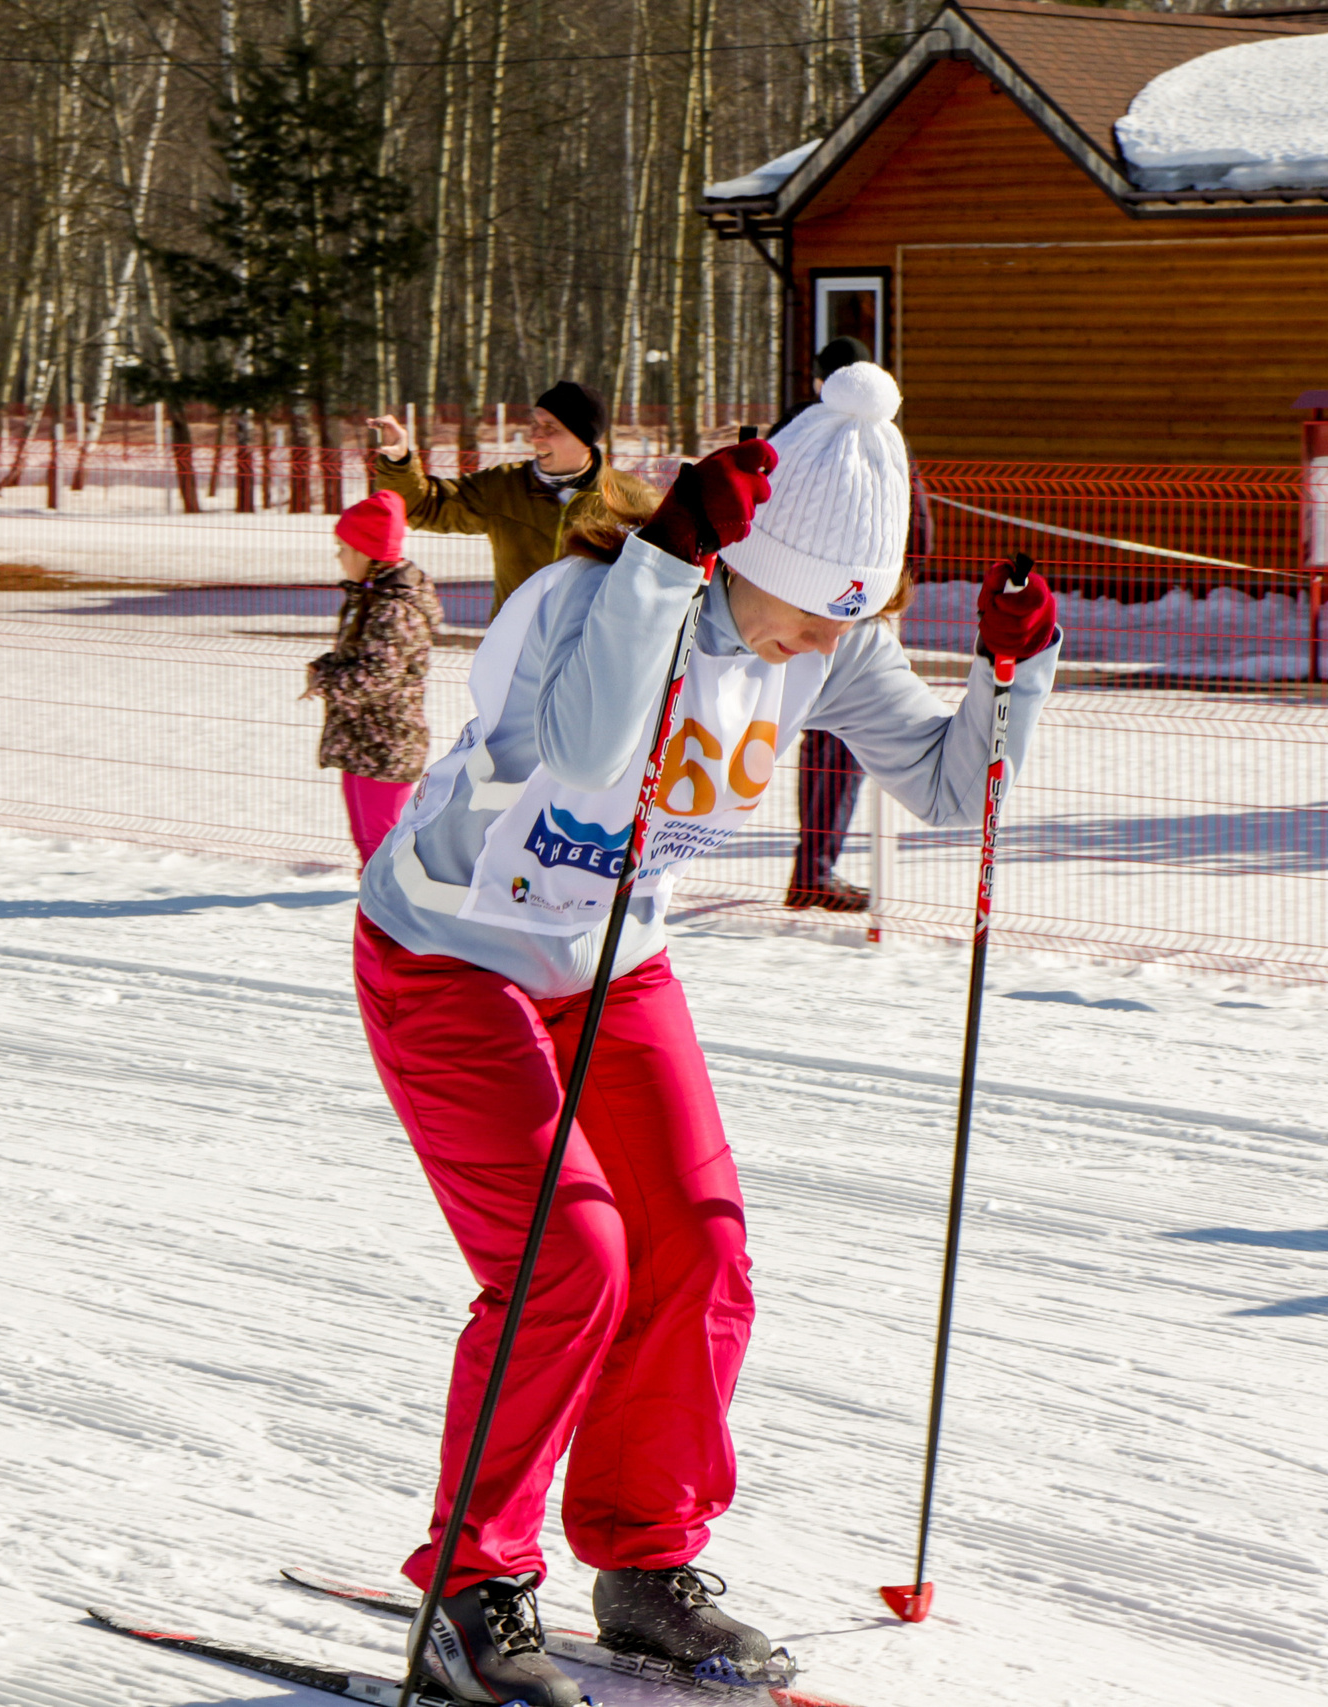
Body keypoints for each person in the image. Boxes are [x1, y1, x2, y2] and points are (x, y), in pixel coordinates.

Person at [353, 361, 1060, 1706]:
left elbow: (961, 791)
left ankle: (641, 1559)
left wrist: (1011, 673)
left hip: (611, 964)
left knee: (699, 1244)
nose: (824, 645)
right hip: (450, 953)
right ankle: (473, 1581)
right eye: (812, 608)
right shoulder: (582, 598)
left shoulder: (830, 640)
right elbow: (585, 743)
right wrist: (666, 566)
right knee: (574, 1256)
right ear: (743, 553)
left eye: (856, 615)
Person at [771, 337, 937, 912]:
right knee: (837, 740)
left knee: (738, 731)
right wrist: (896, 588)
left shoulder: (788, 432)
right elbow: (916, 523)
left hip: (767, 608)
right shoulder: (879, 439)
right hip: (851, 613)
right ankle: (815, 868)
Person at [366, 381, 613, 612]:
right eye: (535, 424)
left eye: (550, 427)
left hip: (590, 653)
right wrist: (399, 462)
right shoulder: (504, 487)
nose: (536, 436)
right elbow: (424, 506)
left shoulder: (630, 501)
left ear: (584, 438)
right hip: (516, 650)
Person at [304, 490, 443, 866]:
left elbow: (378, 675)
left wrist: (329, 680)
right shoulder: (368, 597)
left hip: (387, 746)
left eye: (343, 548)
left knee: (384, 843)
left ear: (367, 551)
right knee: (367, 841)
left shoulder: (394, 609)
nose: (338, 556)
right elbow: (359, 656)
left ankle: (389, 909)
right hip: (361, 741)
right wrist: (326, 665)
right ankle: (373, 899)